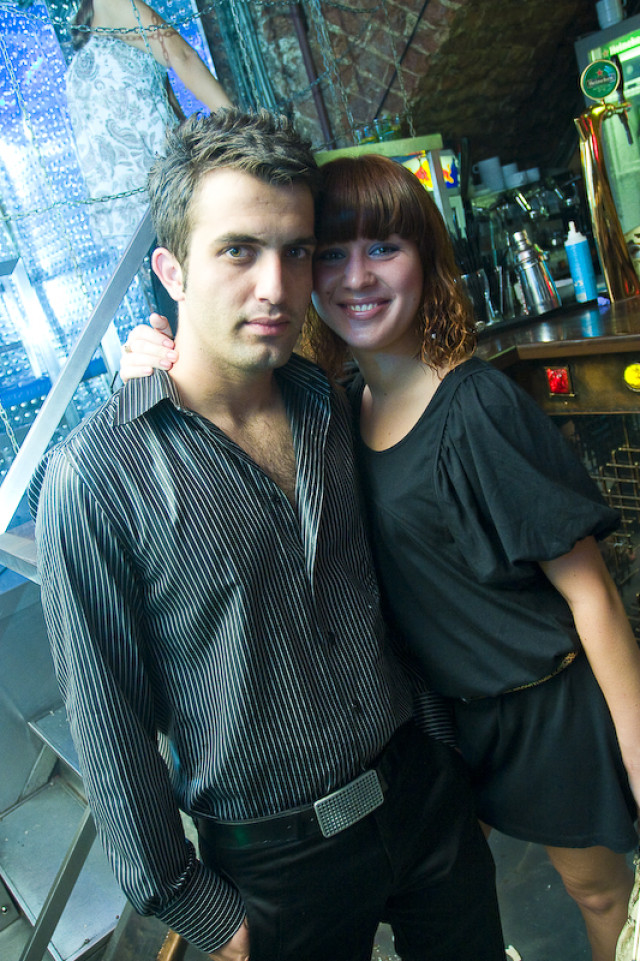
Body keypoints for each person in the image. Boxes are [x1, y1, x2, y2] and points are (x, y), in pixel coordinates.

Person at [124, 152, 640, 961]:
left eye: (384, 247)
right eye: (330, 252)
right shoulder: (330, 410)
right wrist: (151, 361)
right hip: (443, 725)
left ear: (425, 258)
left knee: (599, 891)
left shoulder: (474, 404)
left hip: (541, 704)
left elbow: (594, 596)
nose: (355, 275)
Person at [29, 111, 506, 961]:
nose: (276, 287)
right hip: (276, 868)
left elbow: (385, 599)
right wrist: (200, 909)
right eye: (239, 250)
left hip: (421, 792)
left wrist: (441, 751)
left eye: (296, 251)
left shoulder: (327, 401)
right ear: (172, 269)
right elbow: (109, 723)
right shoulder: (95, 476)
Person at [65, 0, 231, 254]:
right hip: (137, 212)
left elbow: (180, 63)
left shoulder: (112, 7)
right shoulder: (104, 9)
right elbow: (174, 70)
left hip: (157, 201)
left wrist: (237, 126)